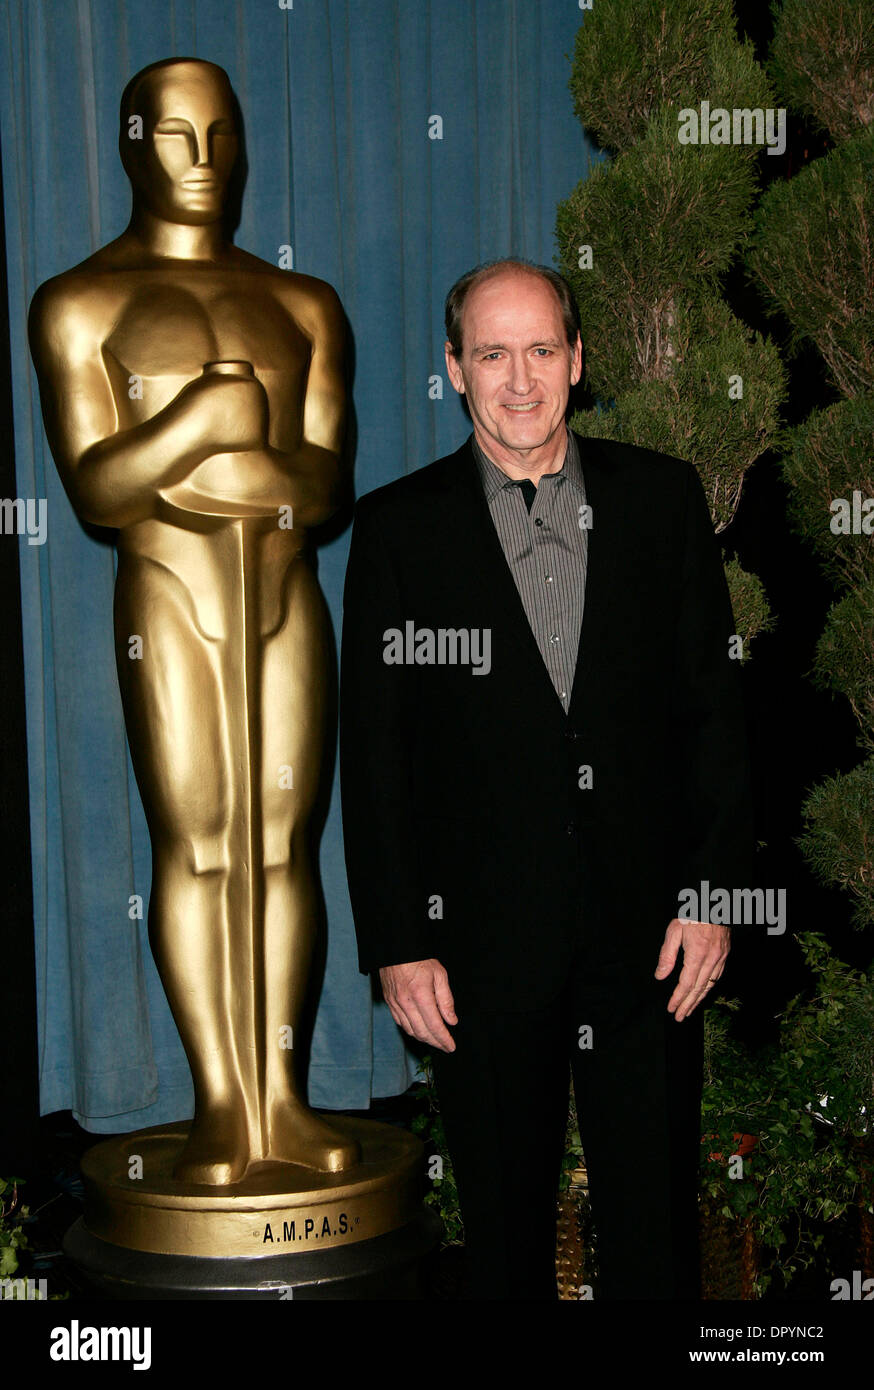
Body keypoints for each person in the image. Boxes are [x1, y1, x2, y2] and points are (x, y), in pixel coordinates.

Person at [339, 258, 753, 1299]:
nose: (516, 380)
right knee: (505, 1241)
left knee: (654, 1231)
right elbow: (375, 752)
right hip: (475, 951)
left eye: (537, 350)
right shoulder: (398, 532)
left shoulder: (660, 503)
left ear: (576, 360)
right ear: (452, 369)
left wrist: (708, 896)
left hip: (649, 942)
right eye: (490, 353)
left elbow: (713, 717)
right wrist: (397, 942)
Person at [29, 58, 358, 1184]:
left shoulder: (303, 304)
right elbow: (95, 490)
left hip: (281, 594)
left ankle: (283, 1096)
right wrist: (203, 425)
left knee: (281, 846)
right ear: (133, 145)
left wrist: (244, 455)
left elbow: (324, 488)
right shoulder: (82, 303)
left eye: (221, 136)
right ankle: (222, 1104)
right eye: (176, 138)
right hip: (169, 597)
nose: (205, 162)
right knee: (204, 845)